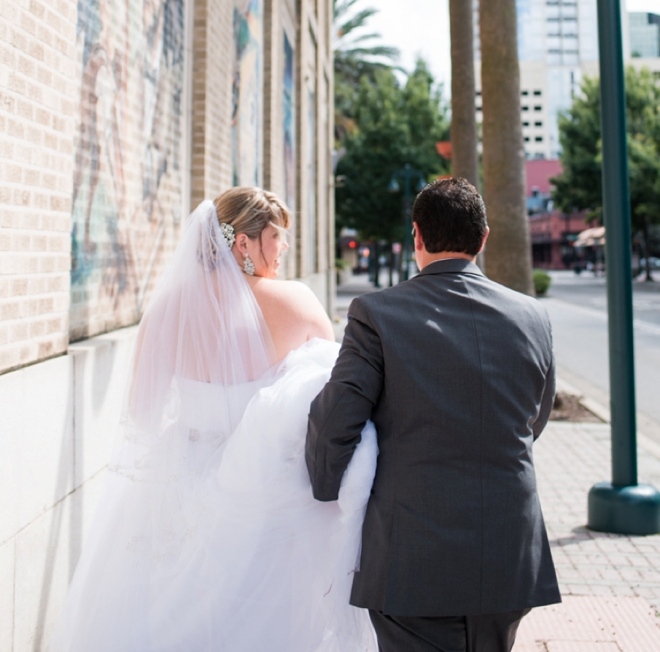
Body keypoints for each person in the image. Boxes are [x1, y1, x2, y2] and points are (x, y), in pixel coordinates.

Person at [51, 189, 379, 652]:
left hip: (180, 472)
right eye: (275, 236)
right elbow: (330, 411)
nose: (284, 246)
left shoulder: (167, 309)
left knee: (160, 602)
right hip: (268, 485)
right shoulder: (299, 304)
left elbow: (141, 410)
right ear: (242, 245)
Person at [306, 176, 560, 652]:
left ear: (417, 236)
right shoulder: (534, 316)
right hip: (508, 550)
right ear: (483, 239)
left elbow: (338, 417)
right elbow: (534, 420)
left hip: (413, 556)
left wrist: (322, 488)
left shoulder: (376, 314)